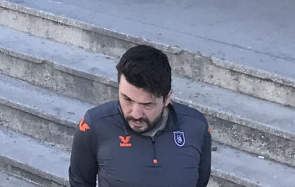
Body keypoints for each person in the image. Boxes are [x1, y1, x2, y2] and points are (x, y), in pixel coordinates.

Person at [69, 44, 211, 187]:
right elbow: (79, 183)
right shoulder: (94, 125)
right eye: (127, 99)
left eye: (147, 105)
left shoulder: (196, 127)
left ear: (167, 98)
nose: (136, 114)